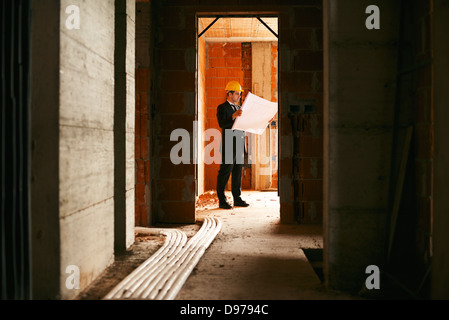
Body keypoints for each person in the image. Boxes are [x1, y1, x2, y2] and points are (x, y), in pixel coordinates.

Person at [216, 81, 250, 209]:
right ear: (229, 94)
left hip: (240, 143)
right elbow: (221, 123)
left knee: (237, 172)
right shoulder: (222, 108)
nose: (239, 96)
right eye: (237, 94)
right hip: (230, 142)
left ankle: (237, 198)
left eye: (240, 94)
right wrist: (233, 116)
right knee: (225, 172)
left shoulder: (239, 108)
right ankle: (222, 200)